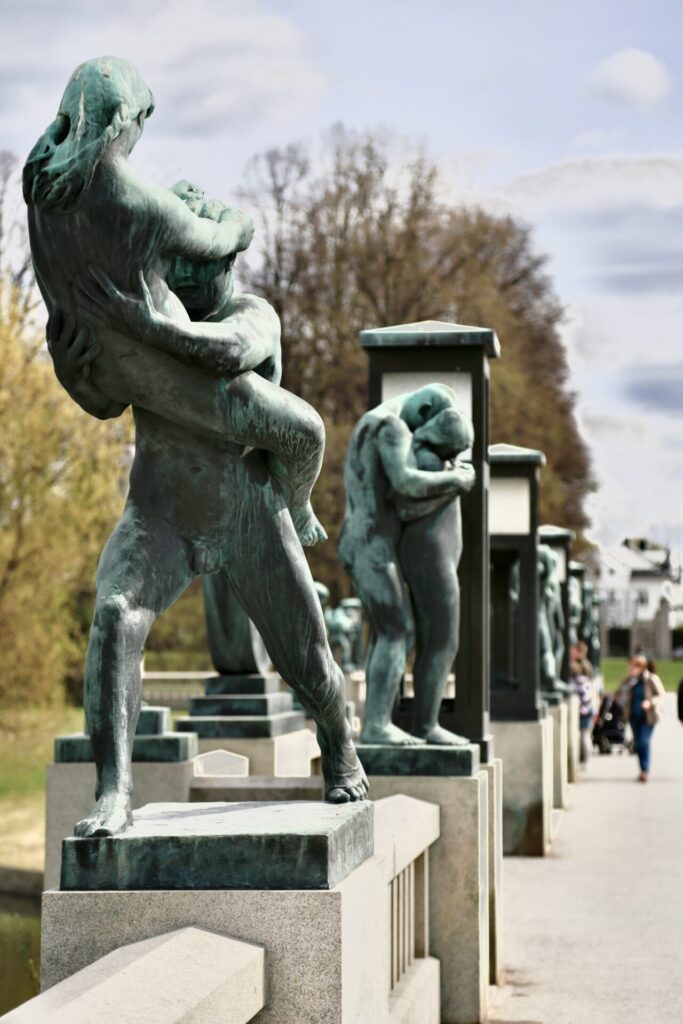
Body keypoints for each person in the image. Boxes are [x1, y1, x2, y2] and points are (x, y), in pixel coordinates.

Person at [25, 57, 367, 836]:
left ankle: (341, 754)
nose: (182, 268)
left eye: (195, 260)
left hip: (245, 509)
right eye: (176, 263)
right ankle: (113, 791)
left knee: (305, 655)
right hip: (161, 511)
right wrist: (78, 357)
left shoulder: (251, 312)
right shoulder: (144, 311)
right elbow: (106, 403)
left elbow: (224, 360)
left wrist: (145, 329)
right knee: (115, 619)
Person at [339, 384, 475, 745]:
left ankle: (383, 723)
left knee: (399, 629)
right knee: (394, 631)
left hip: (368, 541)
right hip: (370, 543)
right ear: (426, 407)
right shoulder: (391, 426)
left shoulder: (374, 422)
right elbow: (406, 483)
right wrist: (458, 478)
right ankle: (377, 727)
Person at [621, 654, 665, 782]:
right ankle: (642, 769)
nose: (632, 668)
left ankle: (645, 771)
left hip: (648, 716)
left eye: (635, 666)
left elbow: (661, 695)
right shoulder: (630, 681)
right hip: (634, 717)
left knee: (644, 742)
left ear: (642, 667)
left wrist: (650, 702)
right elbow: (620, 696)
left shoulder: (651, 678)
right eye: (631, 666)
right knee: (638, 743)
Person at [570, 656, 593, 766]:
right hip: (587, 711)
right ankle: (586, 758)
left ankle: (585, 759)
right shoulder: (586, 681)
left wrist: (581, 709)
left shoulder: (578, 681)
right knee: (585, 736)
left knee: (583, 736)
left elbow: (585, 699)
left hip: (583, 712)